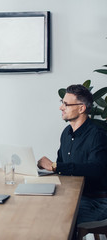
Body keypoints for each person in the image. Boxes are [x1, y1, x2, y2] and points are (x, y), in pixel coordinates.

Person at [37, 84, 107, 226]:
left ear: (81, 108)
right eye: (62, 103)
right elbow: (61, 169)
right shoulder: (66, 133)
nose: (61, 108)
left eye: (66, 104)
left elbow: (96, 169)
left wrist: (55, 166)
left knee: (58, 216)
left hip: (97, 201)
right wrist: (44, 172)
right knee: (38, 207)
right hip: (72, 195)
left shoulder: (97, 135)